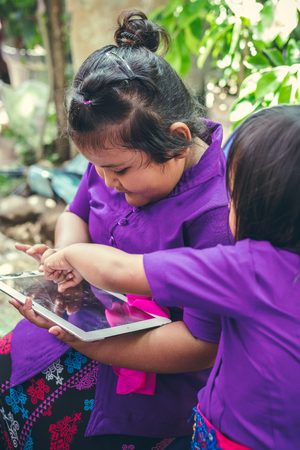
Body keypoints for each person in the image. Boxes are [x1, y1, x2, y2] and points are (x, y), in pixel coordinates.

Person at [0, 9, 233, 450]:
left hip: (151, 378)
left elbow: (202, 344)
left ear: (178, 139)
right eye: (95, 168)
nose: (106, 182)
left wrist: (90, 345)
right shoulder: (116, 152)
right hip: (80, 327)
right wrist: (67, 262)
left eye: (119, 171)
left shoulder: (216, 215)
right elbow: (77, 214)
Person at [12, 104, 300, 450]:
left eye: (234, 197)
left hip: (229, 432)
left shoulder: (243, 268)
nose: (227, 207)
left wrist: (71, 256)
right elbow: (78, 215)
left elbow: (124, 271)